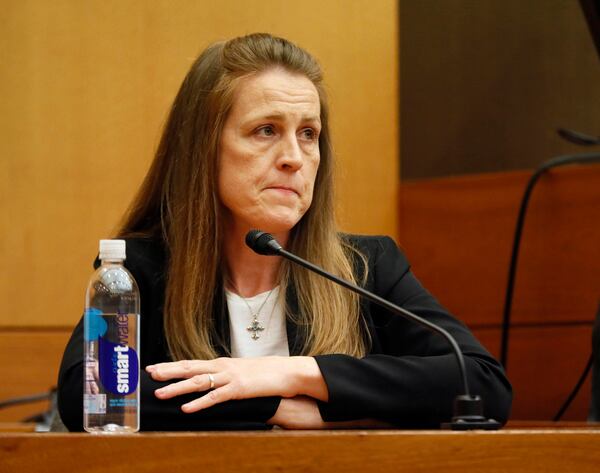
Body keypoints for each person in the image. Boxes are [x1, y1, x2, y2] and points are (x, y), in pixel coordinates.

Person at [57, 33, 512, 431]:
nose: (294, 156)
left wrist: (295, 373)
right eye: (266, 130)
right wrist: (276, 407)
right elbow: (91, 398)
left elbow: (482, 384)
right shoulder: (139, 271)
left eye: (309, 133)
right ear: (203, 149)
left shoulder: (367, 268)